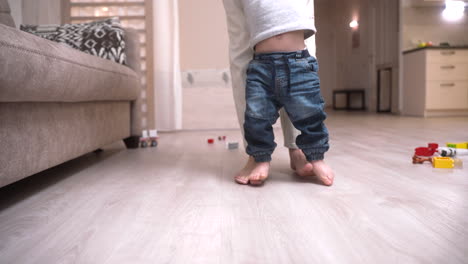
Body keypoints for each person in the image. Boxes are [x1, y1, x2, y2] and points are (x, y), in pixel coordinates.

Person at [222, 0, 334, 186]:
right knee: (256, 118)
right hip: (261, 66)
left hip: (300, 63)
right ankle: (260, 158)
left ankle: (315, 157)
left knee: (310, 114)